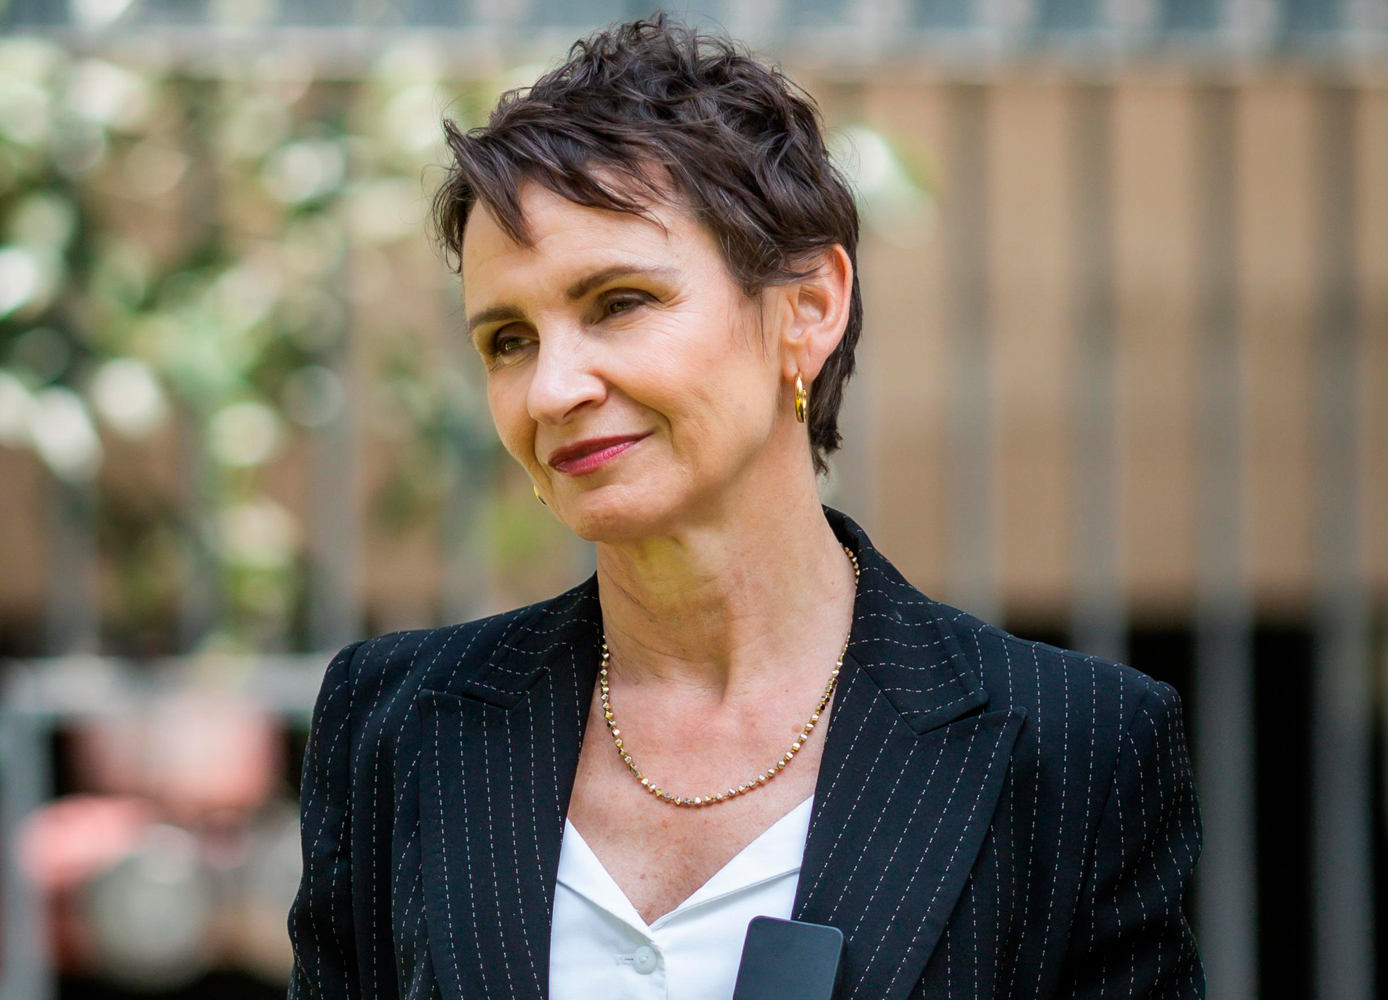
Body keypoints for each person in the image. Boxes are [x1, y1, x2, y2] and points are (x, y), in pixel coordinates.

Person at [287, 13, 1204, 1000]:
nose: (552, 388)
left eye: (618, 302)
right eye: (508, 340)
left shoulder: (1074, 745)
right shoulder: (395, 726)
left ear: (808, 307)